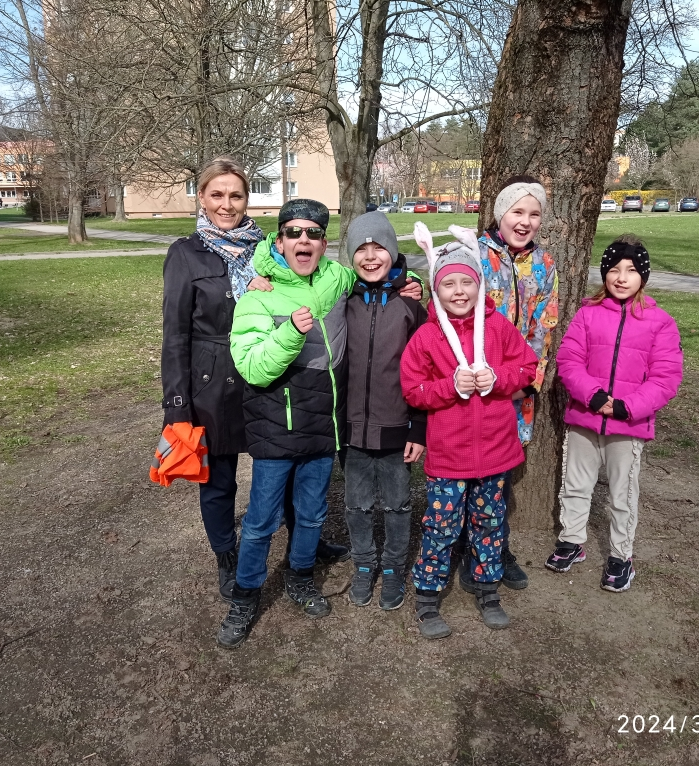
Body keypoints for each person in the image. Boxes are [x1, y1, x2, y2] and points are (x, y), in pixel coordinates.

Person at [160, 161, 347, 605]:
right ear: (201, 198)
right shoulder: (187, 254)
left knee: (287, 461)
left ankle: (304, 537)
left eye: (236, 195)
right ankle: (227, 554)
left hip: (273, 374)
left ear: (247, 199)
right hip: (215, 383)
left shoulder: (266, 248)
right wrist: (177, 406)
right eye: (217, 195)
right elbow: (175, 334)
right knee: (220, 478)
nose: (227, 205)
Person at [216, 198, 355, 648]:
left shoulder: (337, 279)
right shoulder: (257, 295)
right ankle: (245, 595)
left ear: (324, 243)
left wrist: (407, 281)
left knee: (313, 514)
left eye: (313, 233)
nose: (303, 240)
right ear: (279, 241)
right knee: (261, 521)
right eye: (294, 232)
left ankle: (300, 577)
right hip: (276, 425)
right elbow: (253, 368)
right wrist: (291, 332)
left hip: (323, 426)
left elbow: (376, 272)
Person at [400, 225, 538, 638]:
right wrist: (449, 387)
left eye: (466, 282)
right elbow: (412, 389)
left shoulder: (498, 328)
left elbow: (527, 368)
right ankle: (428, 596)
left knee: (490, 523)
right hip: (449, 455)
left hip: (496, 451)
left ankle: (487, 589)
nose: (459, 291)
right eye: (449, 284)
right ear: (436, 290)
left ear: (479, 285)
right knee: (440, 527)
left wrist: (499, 378)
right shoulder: (427, 337)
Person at [546, 235, 683, 592]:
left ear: (643, 276)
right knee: (576, 485)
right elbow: (569, 361)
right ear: (605, 273)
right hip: (585, 417)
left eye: (631, 270)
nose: (622, 278)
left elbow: (665, 378)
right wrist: (593, 397)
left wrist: (626, 406)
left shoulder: (660, 322)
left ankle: (621, 555)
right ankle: (572, 540)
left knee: (622, 494)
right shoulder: (587, 314)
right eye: (615, 270)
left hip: (628, 424)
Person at [456, 175, 559, 593]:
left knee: (496, 475)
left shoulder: (544, 264)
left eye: (534, 214)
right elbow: (451, 314)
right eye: (518, 211)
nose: (525, 221)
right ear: (501, 213)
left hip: (515, 390)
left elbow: (544, 327)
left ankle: (494, 547)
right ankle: (461, 545)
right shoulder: (473, 254)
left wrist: (528, 381)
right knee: (464, 468)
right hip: (471, 385)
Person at [341, 211, 427, 611]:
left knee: (397, 504)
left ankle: (393, 567)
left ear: (392, 252)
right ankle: (364, 564)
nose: (371, 257)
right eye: (362, 249)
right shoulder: (342, 300)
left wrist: (418, 427)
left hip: (397, 426)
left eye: (379, 248)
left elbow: (426, 370)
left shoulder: (411, 306)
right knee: (356, 504)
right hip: (352, 428)